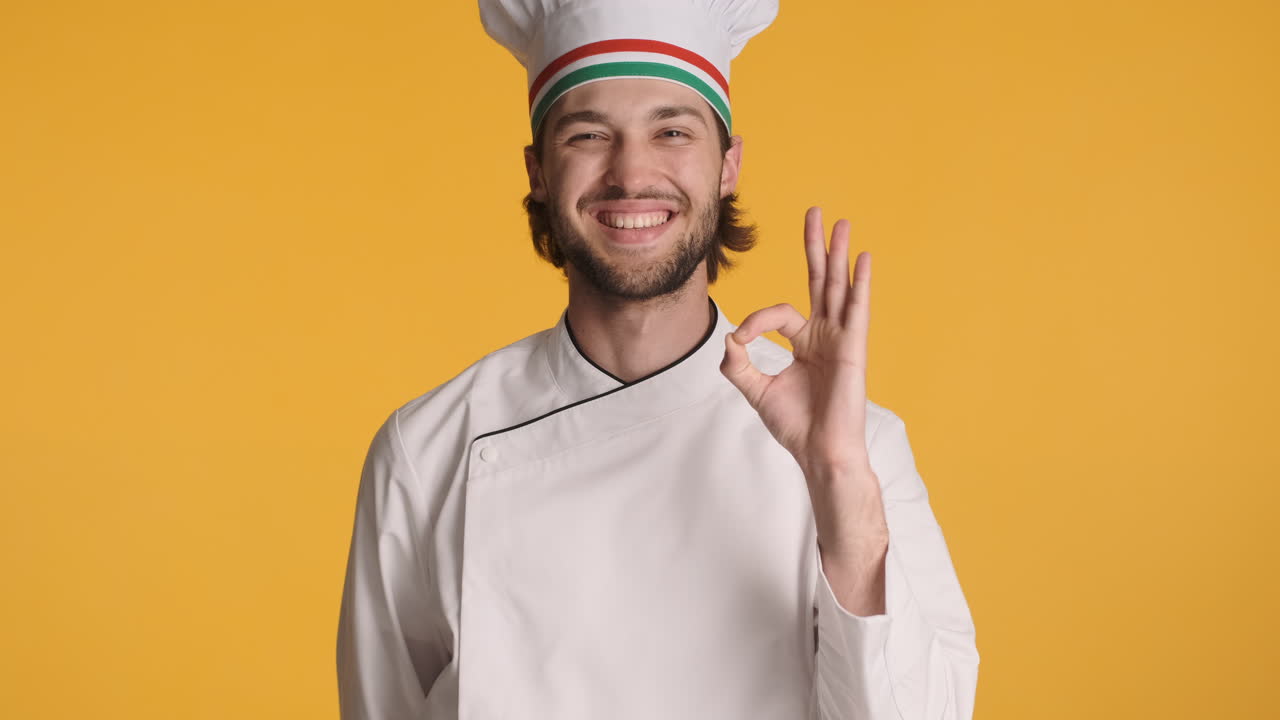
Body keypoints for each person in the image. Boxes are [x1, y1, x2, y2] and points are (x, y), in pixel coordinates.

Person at [336, 1, 979, 717]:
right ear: (539, 171)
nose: (631, 173)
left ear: (729, 163)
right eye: (587, 134)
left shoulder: (860, 448)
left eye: (672, 131)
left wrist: (839, 484)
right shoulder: (425, 451)